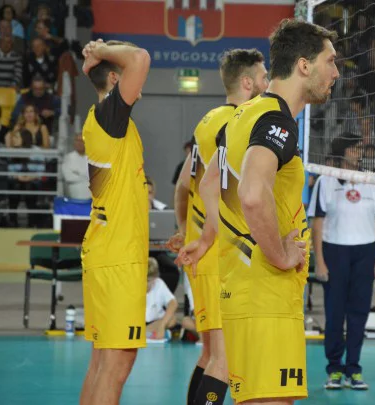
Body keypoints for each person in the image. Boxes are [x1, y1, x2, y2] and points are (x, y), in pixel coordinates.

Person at [179, 18, 339, 404]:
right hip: (265, 295)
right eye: (331, 61)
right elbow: (251, 194)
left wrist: (208, 237)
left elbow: (209, 183)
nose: (336, 73)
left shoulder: (241, 115)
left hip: (240, 289)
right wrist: (281, 255)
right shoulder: (275, 121)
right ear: (304, 65)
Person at [169, 48, 269, 405]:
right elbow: (224, 192)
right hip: (218, 253)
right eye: (264, 76)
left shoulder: (207, 121)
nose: (268, 82)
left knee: (211, 353)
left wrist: (186, 230)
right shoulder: (238, 124)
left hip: (203, 250)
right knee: (225, 361)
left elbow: (183, 186)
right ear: (247, 83)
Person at [78, 39, 151, 405]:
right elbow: (140, 57)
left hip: (109, 252)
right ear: (113, 78)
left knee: (102, 363)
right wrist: (103, 49)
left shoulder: (106, 122)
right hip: (117, 259)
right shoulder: (109, 115)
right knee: (117, 363)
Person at [307, 134, 375, 390]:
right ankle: (334, 369)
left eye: (360, 148)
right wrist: (320, 261)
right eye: (353, 148)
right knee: (334, 314)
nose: (358, 152)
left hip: (365, 252)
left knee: (359, 313)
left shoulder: (373, 181)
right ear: (341, 152)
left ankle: (354, 368)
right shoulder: (325, 181)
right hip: (335, 252)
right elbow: (317, 224)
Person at [145, 257, 178, 340]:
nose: (145, 283)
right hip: (138, 323)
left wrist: (162, 325)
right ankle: (146, 333)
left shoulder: (159, 283)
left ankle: (147, 333)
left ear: (155, 278)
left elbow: (173, 303)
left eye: (148, 280)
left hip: (155, 322)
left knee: (172, 320)